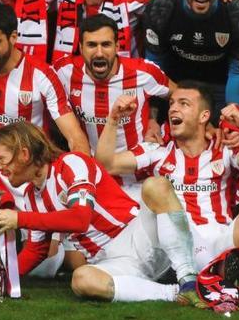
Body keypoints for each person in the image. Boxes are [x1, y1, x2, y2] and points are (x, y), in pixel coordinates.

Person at [0, 120, 204, 305]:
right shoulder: (31, 196)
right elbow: (37, 250)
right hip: (110, 260)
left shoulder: (71, 163)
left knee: (156, 186)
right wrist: (0, 278)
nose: (0, 167)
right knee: (82, 279)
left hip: (139, 235)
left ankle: (189, 280)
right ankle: (174, 294)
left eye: (2, 158)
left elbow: (80, 219)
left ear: (24, 154)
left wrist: (19, 219)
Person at [96, 82, 239, 270]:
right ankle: (212, 272)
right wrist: (113, 119)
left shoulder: (225, 149)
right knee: (184, 224)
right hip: (184, 247)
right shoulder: (157, 152)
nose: (173, 109)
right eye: (171, 103)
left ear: (204, 116)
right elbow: (106, 165)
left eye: (183, 104)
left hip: (224, 239)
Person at [0, 3, 89, 175]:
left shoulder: (41, 75)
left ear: (13, 37)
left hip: (32, 174)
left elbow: (75, 137)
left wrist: (81, 180)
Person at [54, 15, 172, 199]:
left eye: (106, 45)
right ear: (80, 48)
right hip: (95, 178)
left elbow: (180, 95)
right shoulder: (64, 71)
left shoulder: (144, 73)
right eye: (92, 45)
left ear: (117, 47)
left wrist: (154, 119)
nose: (99, 53)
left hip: (138, 177)